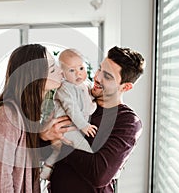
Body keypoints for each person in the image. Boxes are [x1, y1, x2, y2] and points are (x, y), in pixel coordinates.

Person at [40, 46, 145, 192]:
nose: (97, 77)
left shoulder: (127, 122)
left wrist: (60, 146)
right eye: (100, 69)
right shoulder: (79, 96)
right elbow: (40, 151)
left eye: (107, 76)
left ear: (126, 87)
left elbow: (99, 174)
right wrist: (44, 135)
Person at [0, 44, 73, 193]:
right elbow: (1, 181)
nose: (61, 72)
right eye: (53, 69)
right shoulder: (8, 116)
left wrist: (43, 136)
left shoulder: (28, 112)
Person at [40, 49, 97, 180]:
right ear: (63, 74)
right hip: (65, 126)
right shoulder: (65, 88)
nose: (78, 73)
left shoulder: (85, 84)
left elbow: (87, 101)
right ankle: (91, 171)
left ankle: (47, 169)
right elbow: (72, 109)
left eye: (81, 68)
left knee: (58, 149)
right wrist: (83, 125)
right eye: (72, 70)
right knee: (84, 147)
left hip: (74, 125)